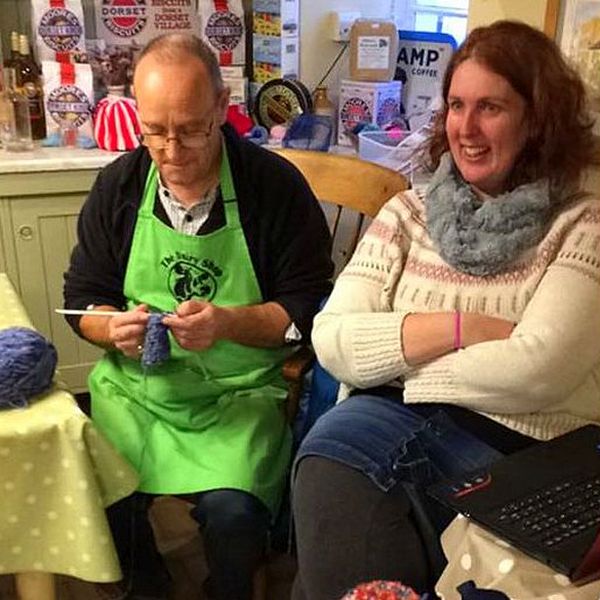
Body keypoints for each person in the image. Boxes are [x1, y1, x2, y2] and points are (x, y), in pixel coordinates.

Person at [291, 20, 600, 600]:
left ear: (538, 120)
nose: (466, 128)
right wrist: (463, 329)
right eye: (456, 105)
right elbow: (331, 338)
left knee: (325, 546)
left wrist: (395, 361)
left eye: (491, 107)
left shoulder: (583, 225)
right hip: (383, 427)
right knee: (335, 477)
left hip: (520, 451)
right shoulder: (408, 213)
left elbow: (539, 368)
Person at [63, 33, 333, 600]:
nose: (171, 149)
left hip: (239, 393)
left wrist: (228, 324)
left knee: (234, 514)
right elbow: (83, 296)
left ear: (221, 108)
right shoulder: (119, 186)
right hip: (139, 391)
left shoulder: (273, 189)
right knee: (100, 483)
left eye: (190, 129)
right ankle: (147, 584)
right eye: (154, 130)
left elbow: (306, 308)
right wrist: (111, 328)